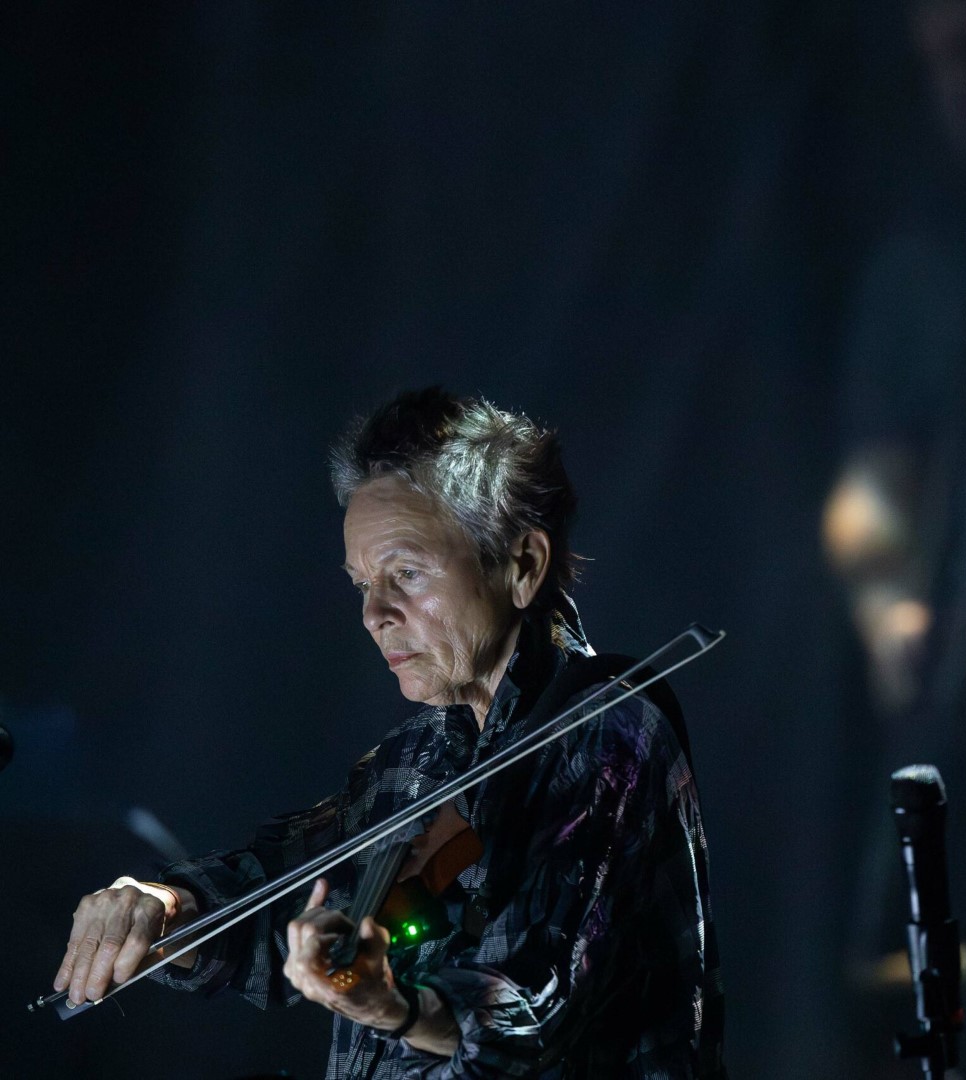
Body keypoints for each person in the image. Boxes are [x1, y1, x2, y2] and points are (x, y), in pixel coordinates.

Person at [51, 388, 726, 1079]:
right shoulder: (413, 761)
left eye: (405, 574)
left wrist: (395, 1007)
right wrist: (166, 909)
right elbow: (282, 887)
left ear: (522, 565)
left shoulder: (609, 732)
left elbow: (534, 1004)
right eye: (362, 584)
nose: (375, 613)